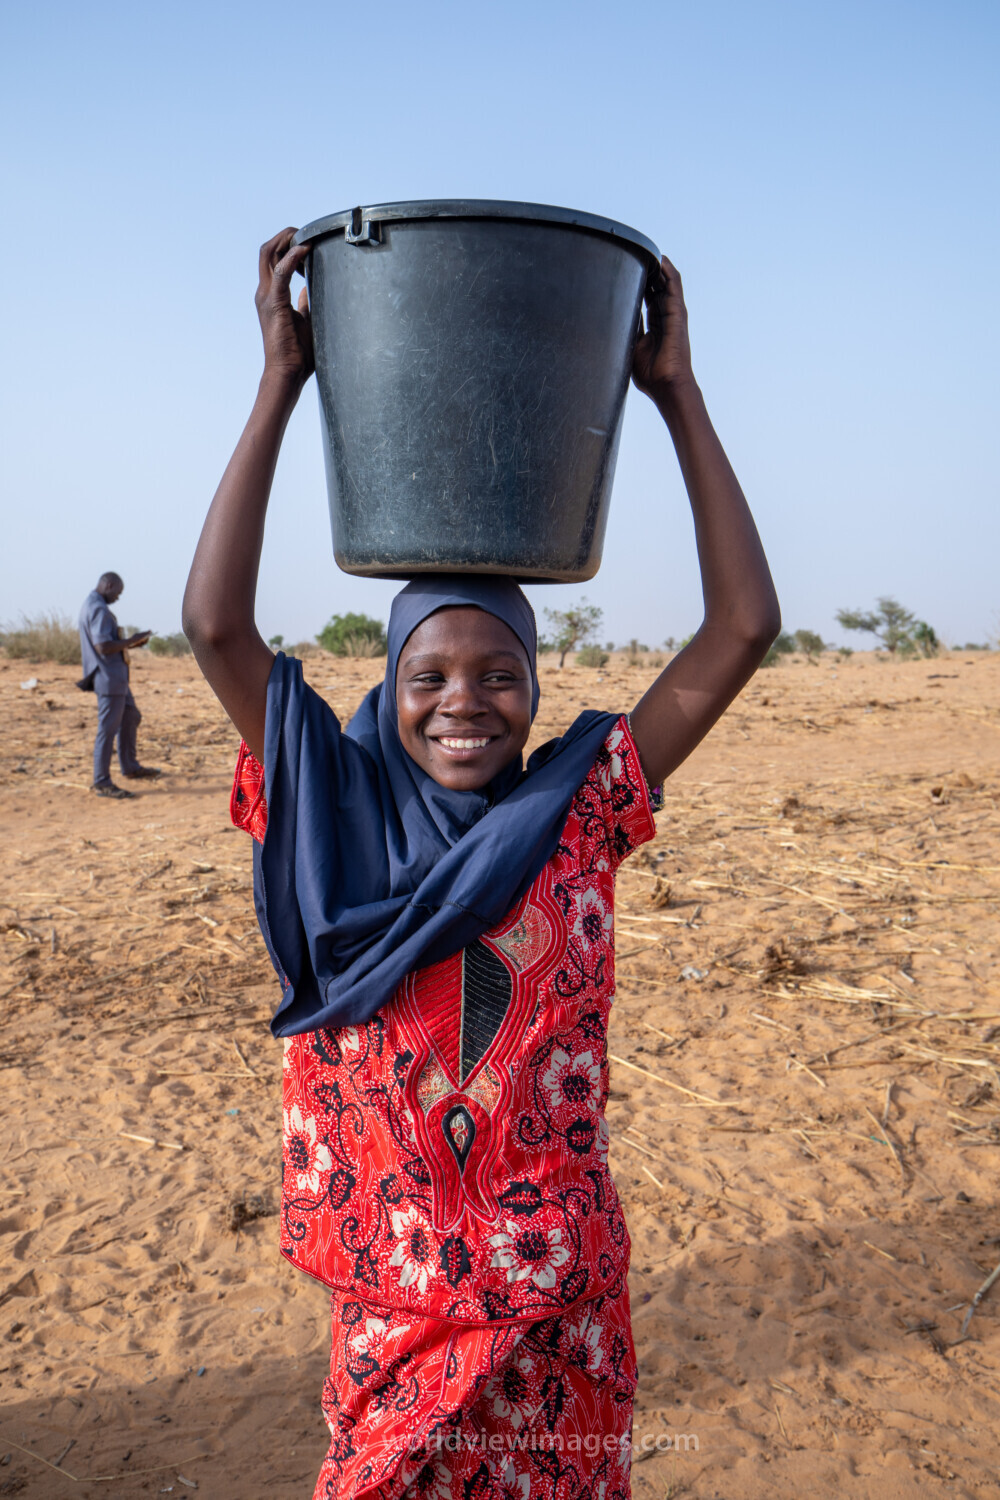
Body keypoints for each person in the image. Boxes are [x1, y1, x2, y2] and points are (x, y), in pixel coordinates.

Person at [183, 228, 780, 1500]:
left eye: (500, 674)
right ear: (386, 689)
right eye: (430, 676)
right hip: (395, 1310)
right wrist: (282, 381)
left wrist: (674, 394)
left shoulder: (581, 809)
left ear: (535, 688)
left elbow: (742, 626)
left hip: (557, 1298)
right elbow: (215, 626)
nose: (467, 703)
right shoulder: (323, 807)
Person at [78, 572, 159, 798]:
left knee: (131, 715)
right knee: (107, 729)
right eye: (118, 592)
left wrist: (131, 643)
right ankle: (102, 781)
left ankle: (130, 767)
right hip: (109, 678)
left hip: (115, 677)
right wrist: (133, 639)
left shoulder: (92, 605)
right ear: (109, 585)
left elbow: (108, 644)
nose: (118, 597)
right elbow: (103, 646)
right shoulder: (99, 609)